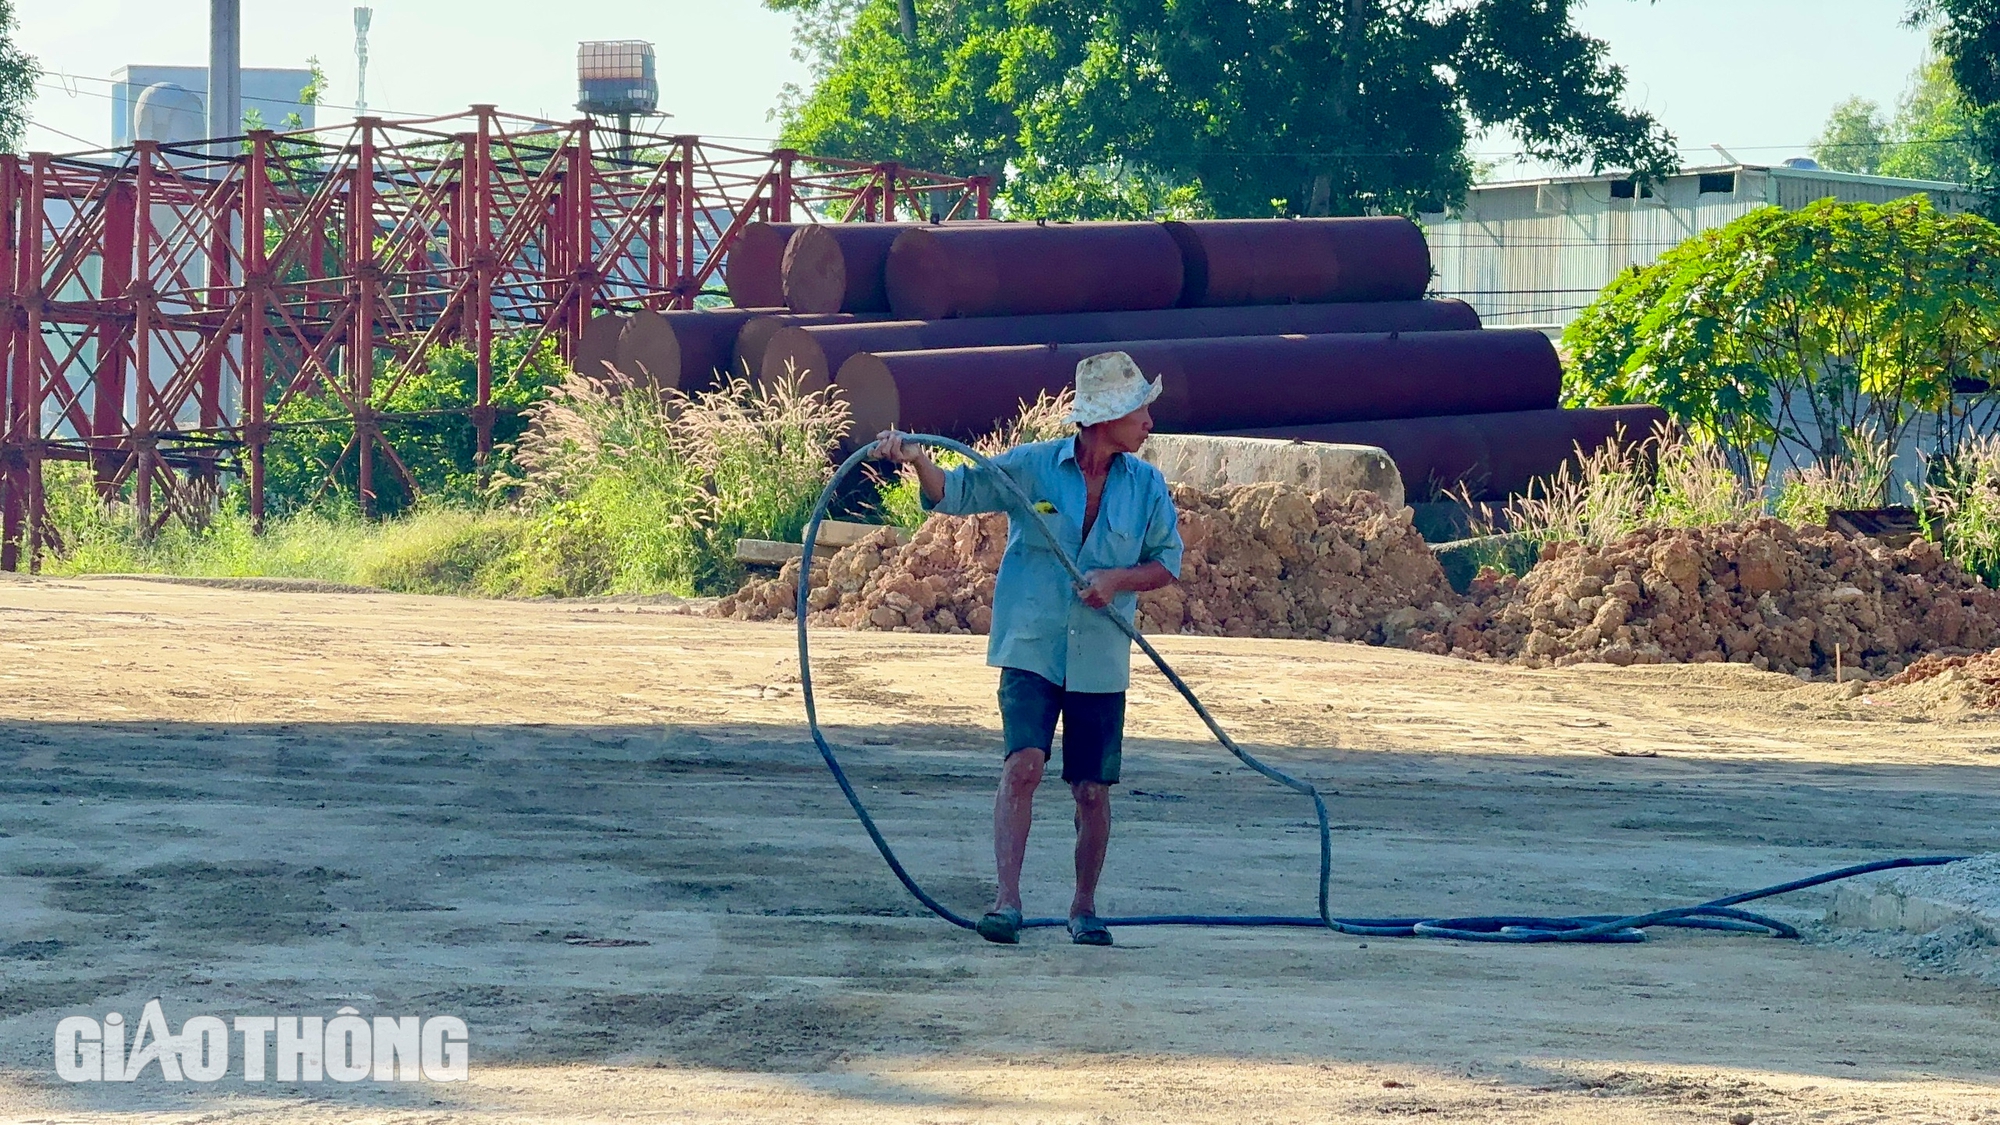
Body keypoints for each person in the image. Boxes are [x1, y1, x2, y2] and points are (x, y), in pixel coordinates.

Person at [873, 351, 1182, 946]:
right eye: (1140, 409)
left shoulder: (1146, 486)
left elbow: (1167, 563)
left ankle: (1084, 907)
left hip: (1100, 654)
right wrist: (918, 461)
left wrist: (1114, 582)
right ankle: (1006, 902)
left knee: (1092, 790)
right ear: (1105, 418)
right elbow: (957, 491)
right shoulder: (1034, 468)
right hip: (1032, 646)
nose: (1148, 421)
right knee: (1023, 767)